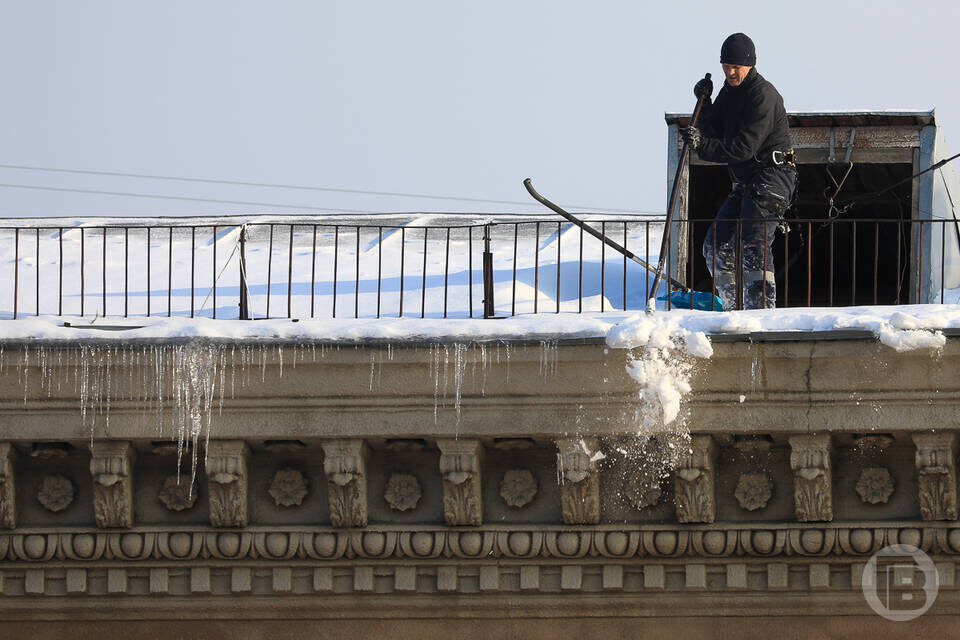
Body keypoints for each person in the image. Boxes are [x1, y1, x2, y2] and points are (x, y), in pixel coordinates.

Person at [679, 33, 797, 310]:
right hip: (746, 180)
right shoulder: (729, 92)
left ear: (750, 65)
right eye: (726, 66)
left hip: (772, 176)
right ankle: (734, 308)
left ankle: (760, 314)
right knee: (716, 245)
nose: (731, 72)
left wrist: (703, 147)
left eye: (736, 67)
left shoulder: (764, 95)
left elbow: (743, 147)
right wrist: (704, 103)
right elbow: (717, 129)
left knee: (753, 242)